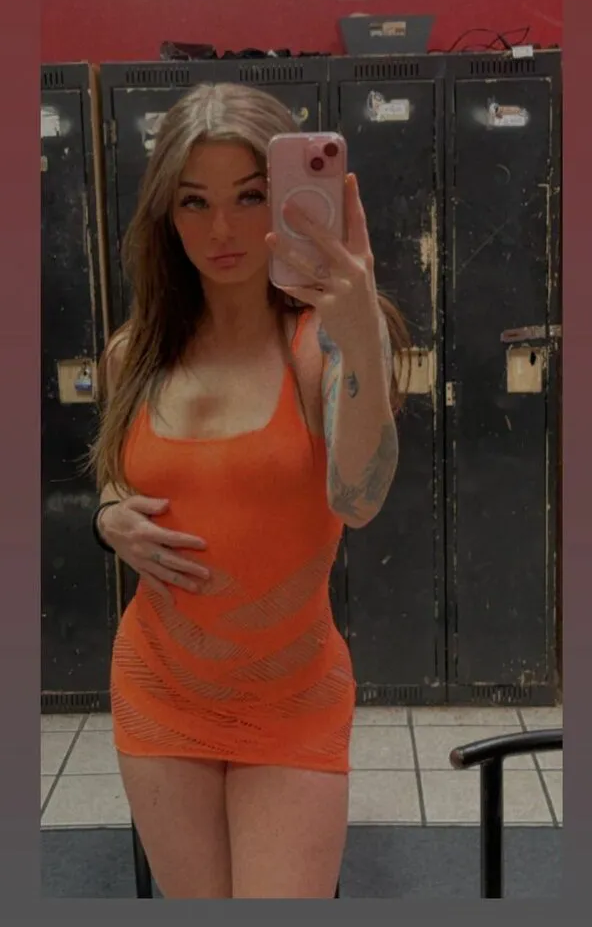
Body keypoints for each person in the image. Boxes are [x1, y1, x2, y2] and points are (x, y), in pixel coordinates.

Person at [90, 82, 409, 900]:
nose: (223, 230)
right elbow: (121, 471)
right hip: (159, 686)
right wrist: (108, 516)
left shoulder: (320, 349)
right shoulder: (136, 353)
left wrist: (361, 338)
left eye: (250, 196)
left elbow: (360, 499)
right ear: (166, 214)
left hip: (292, 696)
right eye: (195, 202)